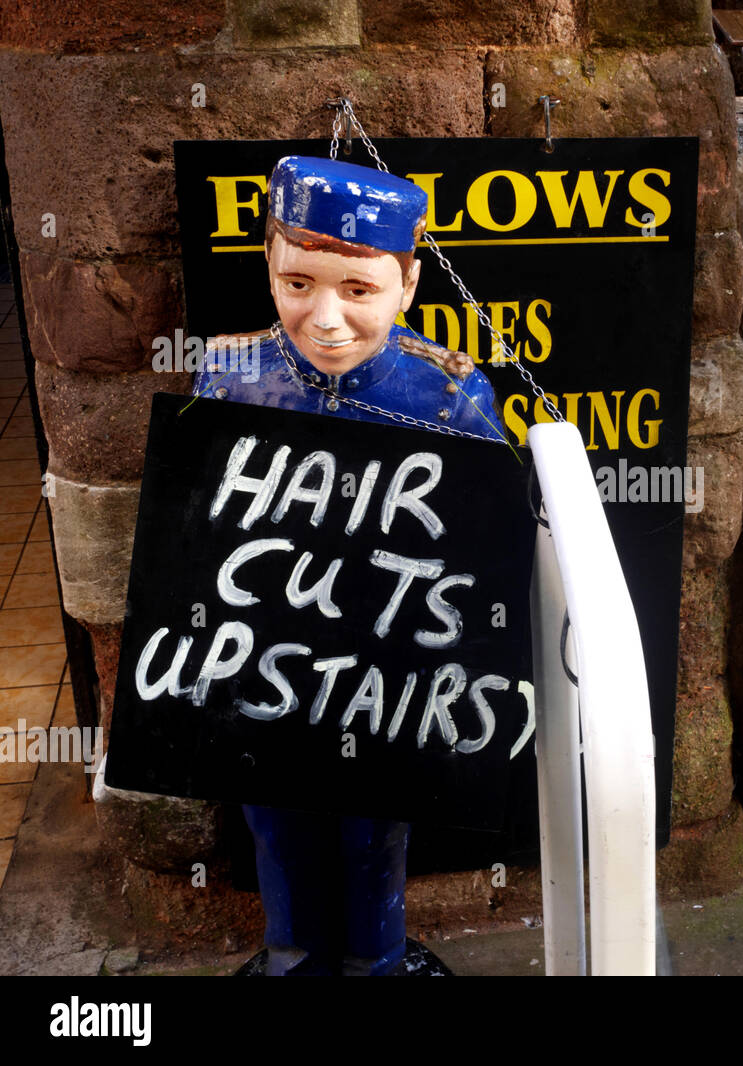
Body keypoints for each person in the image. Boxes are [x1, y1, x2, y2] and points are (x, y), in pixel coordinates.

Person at [192, 155, 505, 975]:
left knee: (376, 822)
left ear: (406, 286)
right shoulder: (229, 379)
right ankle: (291, 954)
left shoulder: (448, 398)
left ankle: (377, 962)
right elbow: (197, 524)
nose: (325, 317)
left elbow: (484, 543)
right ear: (269, 267)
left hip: (389, 671)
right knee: (276, 817)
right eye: (299, 284)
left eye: (358, 290)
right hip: (266, 662)